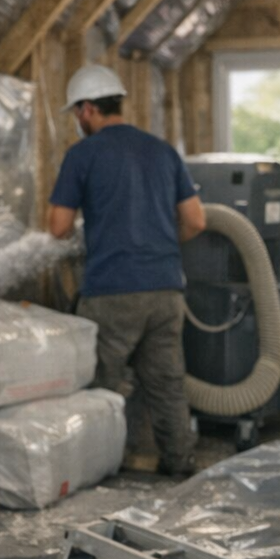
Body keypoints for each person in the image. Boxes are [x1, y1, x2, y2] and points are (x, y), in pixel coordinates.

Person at [46, 64, 206, 477]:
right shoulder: (162, 149)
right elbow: (196, 220)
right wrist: (161, 245)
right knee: (167, 383)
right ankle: (180, 464)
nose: (77, 122)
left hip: (112, 291)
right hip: (167, 289)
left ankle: (95, 471)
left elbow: (59, 227)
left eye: (76, 114)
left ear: (86, 110)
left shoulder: (82, 155)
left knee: (98, 384)